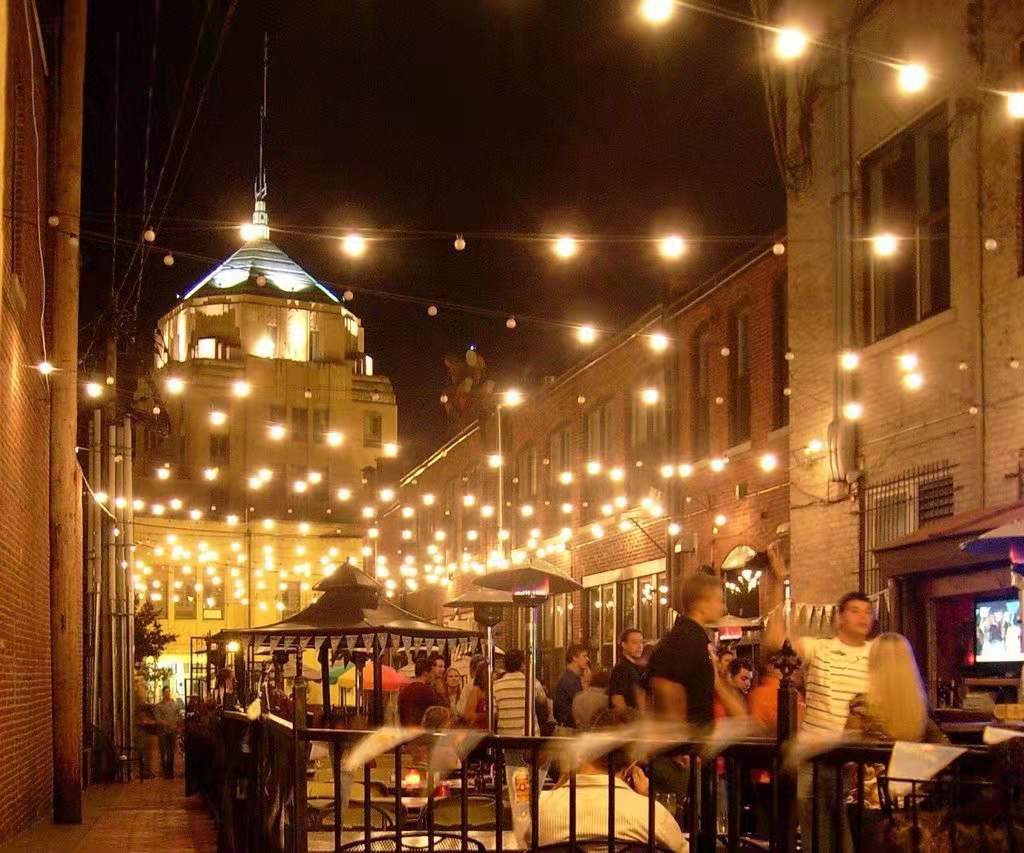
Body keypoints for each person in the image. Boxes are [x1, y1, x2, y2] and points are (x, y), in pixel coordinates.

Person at [768, 590, 875, 852]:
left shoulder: (876, 655)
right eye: (855, 611)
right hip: (814, 758)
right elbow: (776, 642)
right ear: (839, 618)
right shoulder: (820, 648)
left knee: (847, 838)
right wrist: (779, 584)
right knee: (815, 838)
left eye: (867, 612)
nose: (863, 617)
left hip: (853, 763)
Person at [537, 708, 687, 850]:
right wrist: (646, 801)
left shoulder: (540, 808)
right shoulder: (653, 816)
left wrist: (562, 783)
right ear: (632, 764)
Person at [493, 649, 542, 736]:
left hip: (506, 738)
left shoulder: (496, 686)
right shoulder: (532, 683)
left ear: (505, 665)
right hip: (531, 737)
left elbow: (494, 713)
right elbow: (542, 702)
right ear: (522, 664)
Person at [552, 643, 590, 729]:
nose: (587, 659)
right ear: (574, 658)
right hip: (569, 728)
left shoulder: (575, 677)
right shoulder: (568, 680)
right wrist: (586, 683)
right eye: (584, 656)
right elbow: (583, 704)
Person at [608, 628, 646, 711]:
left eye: (641, 642)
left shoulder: (636, 668)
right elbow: (617, 699)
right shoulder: (621, 669)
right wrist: (630, 717)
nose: (640, 646)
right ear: (624, 645)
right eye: (635, 642)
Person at [398, 656, 443, 726]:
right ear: (425, 673)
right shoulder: (427, 691)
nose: (433, 676)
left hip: (406, 729)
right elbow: (436, 714)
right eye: (432, 673)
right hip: (421, 729)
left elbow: (401, 714)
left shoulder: (404, 690)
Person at [153, 686, 180, 778]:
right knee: (164, 752)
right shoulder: (158, 706)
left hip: (172, 731)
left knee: (171, 752)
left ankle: (171, 771)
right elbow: (157, 719)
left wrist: (176, 724)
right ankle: (165, 772)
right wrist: (165, 723)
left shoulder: (174, 704)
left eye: (168, 692)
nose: (167, 694)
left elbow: (177, 716)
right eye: (166, 692)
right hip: (163, 732)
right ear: (163, 693)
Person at [461, 664, 489, 729]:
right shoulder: (476, 690)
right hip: (480, 730)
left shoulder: (492, 689)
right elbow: (468, 715)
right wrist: (487, 715)